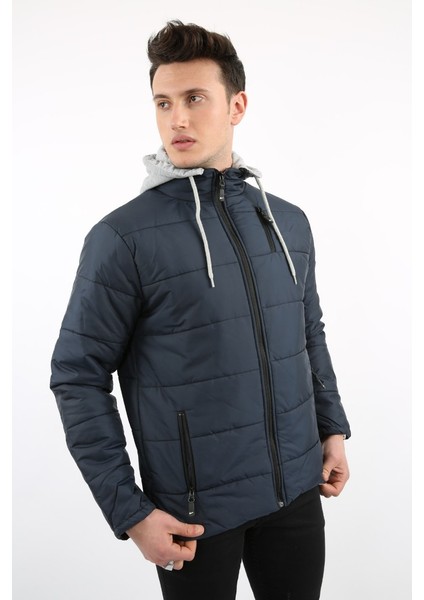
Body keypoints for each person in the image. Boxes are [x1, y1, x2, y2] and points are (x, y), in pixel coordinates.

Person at [50, 20, 351, 600]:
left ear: (237, 106)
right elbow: (77, 375)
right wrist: (130, 511)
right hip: (193, 517)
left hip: (296, 492)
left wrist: (330, 427)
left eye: (194, 98)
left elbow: (307, 331)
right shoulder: (122, 238)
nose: (177, 120)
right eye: (163, 103)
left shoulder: (287, 223)